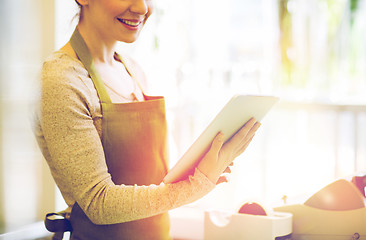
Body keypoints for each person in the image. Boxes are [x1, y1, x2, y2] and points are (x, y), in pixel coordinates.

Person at [33, 0, 261, 239]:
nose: (142, 8)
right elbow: (99, 203)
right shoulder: (61, 80)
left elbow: (153, 181)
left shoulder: (132, 70)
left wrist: (207, 162)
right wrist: (198, 184)